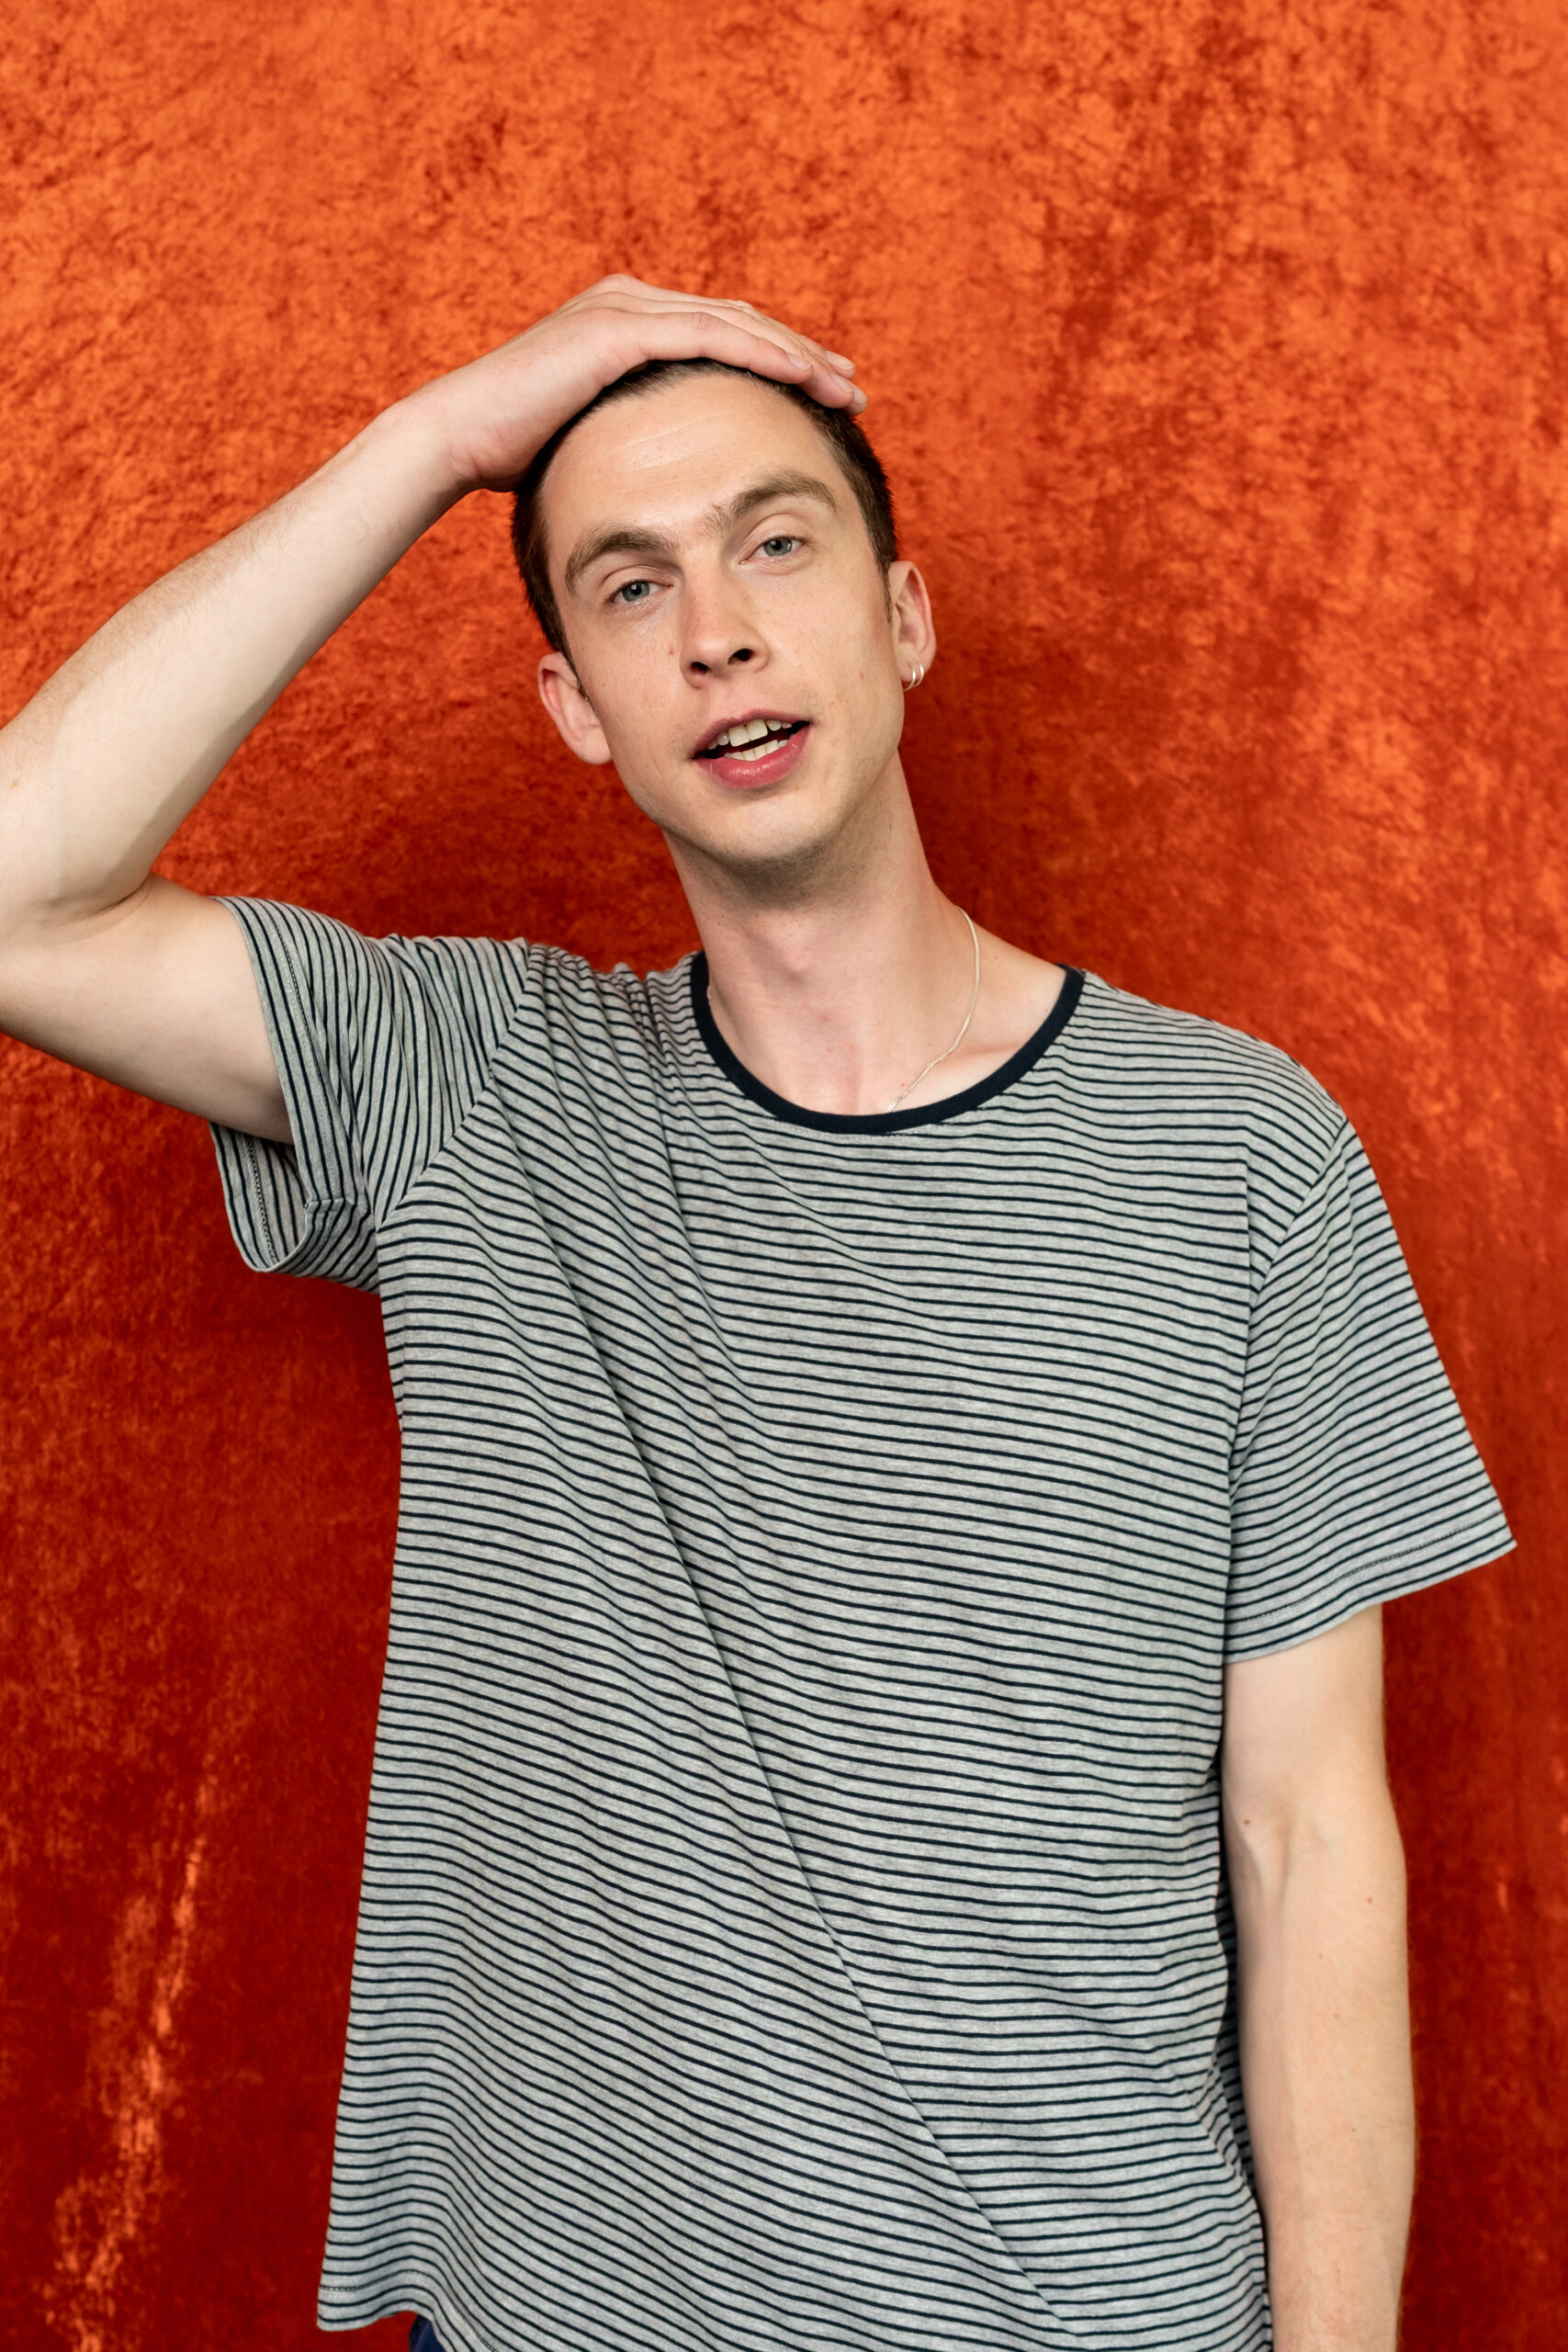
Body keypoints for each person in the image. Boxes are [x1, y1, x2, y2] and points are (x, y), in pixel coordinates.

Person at [0, 276, 1511, 2352]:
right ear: (577, 707)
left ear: (903, 617)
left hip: (1095, 2301)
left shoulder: (1235, 1149)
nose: (713, 628)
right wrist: (435, 440)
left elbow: (1310, 1838)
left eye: (773, 543)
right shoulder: (473, 1090)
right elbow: (20, 893)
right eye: (632, 585)